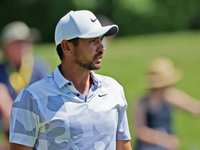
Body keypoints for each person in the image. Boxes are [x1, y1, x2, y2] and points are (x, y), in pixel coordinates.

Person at [9, 10, 132, 150]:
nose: (102, 48)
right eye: (92, 40)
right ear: (67, 47)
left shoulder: (113, 89)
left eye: (101, 39)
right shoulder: (31, 98)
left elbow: (123, 146)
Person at [0, 21, 50, 150]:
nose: (23, 46)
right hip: (8, 131)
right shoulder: (2, 69)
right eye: (17, 43)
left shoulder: (39, 67)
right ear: (5, 47)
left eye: (26, 42)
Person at [133, 57, 200, 150]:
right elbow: (140, 131)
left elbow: (194, 108)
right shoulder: (142, 103)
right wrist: (163, 139)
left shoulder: (169, 96)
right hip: (148, 146)